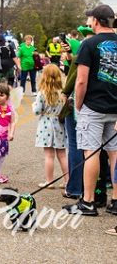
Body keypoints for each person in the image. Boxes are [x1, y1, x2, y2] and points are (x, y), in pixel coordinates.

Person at [64, 5, 117, 216]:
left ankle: (88, 201)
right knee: (114, 153)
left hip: (93, 106)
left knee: (91, 152)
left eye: (90, 19)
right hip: (116, 107)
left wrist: (78, 104)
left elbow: (81, 80)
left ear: (96, 20)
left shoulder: (88, 44)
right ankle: (115, 201)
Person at [61, 25, 95, 200]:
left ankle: (75, 187)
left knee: (76, 145)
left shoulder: (87, 45)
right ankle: (96, 191)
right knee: (97, 150)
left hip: (80, 104)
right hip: (101, 104)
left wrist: (67, 95)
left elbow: (77, 78)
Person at [33, 64, 68, 188]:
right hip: (59, 124)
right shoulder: (63, 93)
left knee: (49, 155)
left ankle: (50, 181)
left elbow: (37, 111)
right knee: (62, 154)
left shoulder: (42, 93)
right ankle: (67, 181)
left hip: (46, 125)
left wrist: (34, 105)